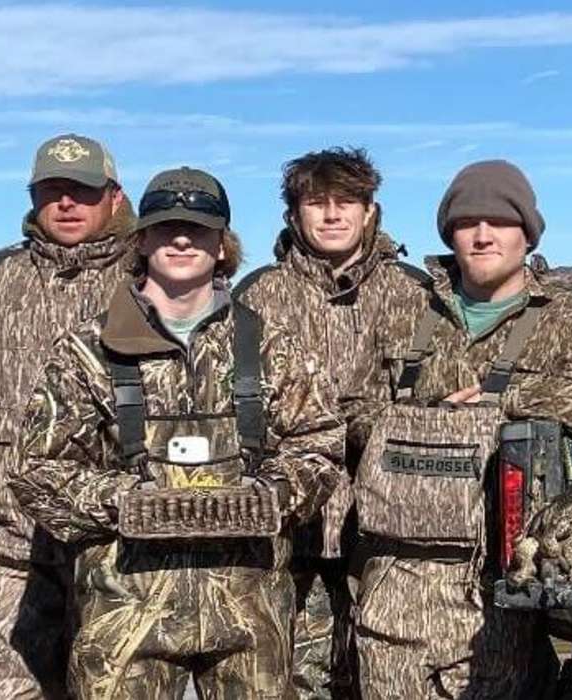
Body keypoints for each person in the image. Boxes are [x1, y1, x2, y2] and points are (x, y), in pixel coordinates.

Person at [12, 166, 345, 699]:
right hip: (123, 611)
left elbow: (320, 444)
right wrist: (125, 501)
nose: (182, 238)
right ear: (141, 240)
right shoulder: (86, 350)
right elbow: (35, 471)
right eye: (166, 227)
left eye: (199, 227)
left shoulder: (270, 347)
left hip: (249, 612)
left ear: (222, 245)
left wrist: (272, 495)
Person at [351, 160, 572, 699]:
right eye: (467, 222)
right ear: (449, 233)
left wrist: (501, 403)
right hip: (396, 577)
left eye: (499, 221)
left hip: (499, 579)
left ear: (527, 233)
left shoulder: (570, 316)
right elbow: (357, 413)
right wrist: (425, 417)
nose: (482, 234)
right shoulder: (405, 311)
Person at [0, 133, 136, 698]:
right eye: (53, 191)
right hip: (3, 541)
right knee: (3, 688)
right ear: (34, 199)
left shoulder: (152, 279)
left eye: (82, 191)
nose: (67, 204)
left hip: (118, 543)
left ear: (114, 198)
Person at [234, 147, 428, 699]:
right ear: (294, 216)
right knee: (293, 676)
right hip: (290, 528)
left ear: (371, 211)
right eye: (317, 203)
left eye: (348, 201)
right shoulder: (258, 296)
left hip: (389, 524)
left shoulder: (413, 294)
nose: (333, 214)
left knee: (390, 669)